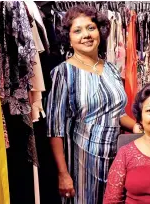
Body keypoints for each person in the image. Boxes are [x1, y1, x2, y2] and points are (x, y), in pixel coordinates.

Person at [46, 5, 141, 204]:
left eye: (91, 28)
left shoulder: (111, 69)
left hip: (116, 159)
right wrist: (63, 174)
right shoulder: (63, 73)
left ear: (100, 31)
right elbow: (55, 130)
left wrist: (134, 126)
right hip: (81, 163)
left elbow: (114, 112)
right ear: (69, 38)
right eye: (77, 31)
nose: (86, 35)